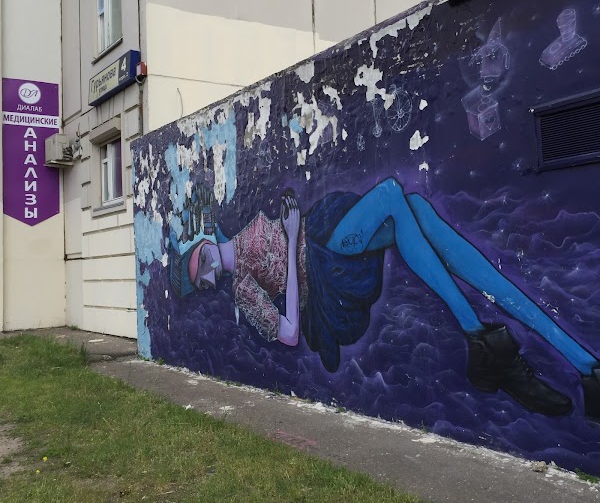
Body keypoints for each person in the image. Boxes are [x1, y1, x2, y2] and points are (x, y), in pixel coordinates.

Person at [170, 177, 600, 420]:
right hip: (325, 262)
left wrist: (295, 228)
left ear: (204, 244)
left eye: (200, 260)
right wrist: (293, 233)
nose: (207, 271)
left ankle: (582, 363)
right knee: (393, 194)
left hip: (324, 225)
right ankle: (479, 337)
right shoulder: (243, 289)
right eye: (201, 280)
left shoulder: (233, 233)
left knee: (417, 210)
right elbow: (288, 333)